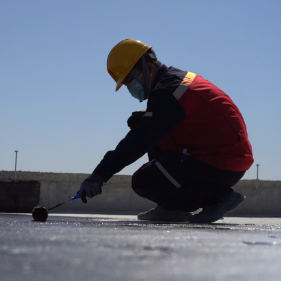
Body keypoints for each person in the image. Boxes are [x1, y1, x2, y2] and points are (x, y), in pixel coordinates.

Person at [78, 39, 254, 223]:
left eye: (130, 80)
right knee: (145, 125)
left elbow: (140, 140)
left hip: (223, 161)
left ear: (148, 67)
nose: (130, 87)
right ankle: (172, 208)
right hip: (218, 156)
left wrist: (99, 175)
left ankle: (220, 198)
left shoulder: (170, 91)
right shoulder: (172, 83)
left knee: (144, 179)